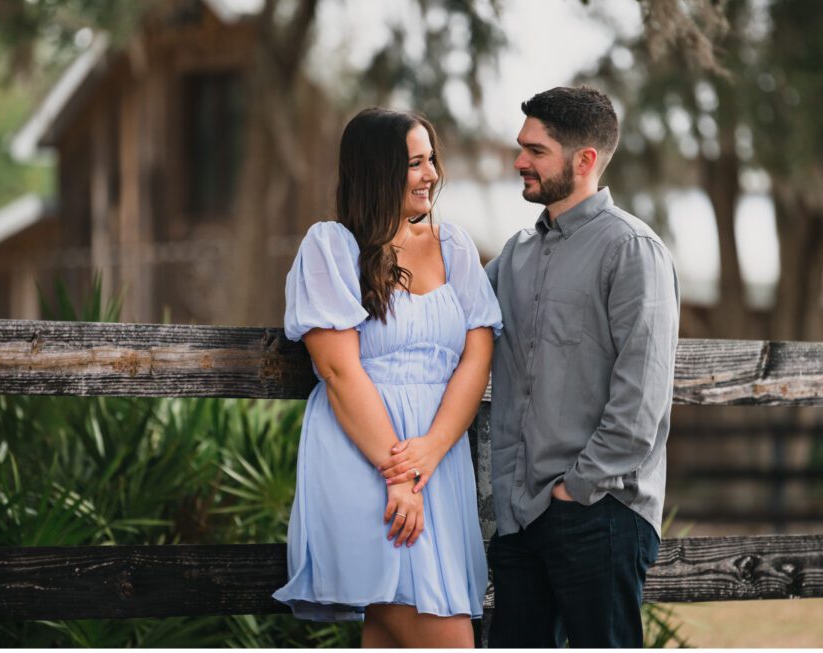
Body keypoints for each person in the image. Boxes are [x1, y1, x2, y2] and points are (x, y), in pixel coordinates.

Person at [272, 107, 502, 647]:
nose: (431, 175)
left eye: (431, 160)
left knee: (392, 630)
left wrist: (431, 450)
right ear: (377, 171)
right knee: (443, 634)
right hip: (367, 458)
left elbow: (477, 356)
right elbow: (338, 368)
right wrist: (400, 474)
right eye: (415, 164)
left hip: (435, 462)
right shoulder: (332, 248)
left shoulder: (456, 249)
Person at [484, 86, 681, 648]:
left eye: (536, 150)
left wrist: (576, 490)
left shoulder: (631, 250)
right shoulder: (516, 254)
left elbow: (641, 399)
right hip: (521, 518)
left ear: (585, 160)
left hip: (598, 513)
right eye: (521, 146)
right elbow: (448, 312)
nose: (520, 161)